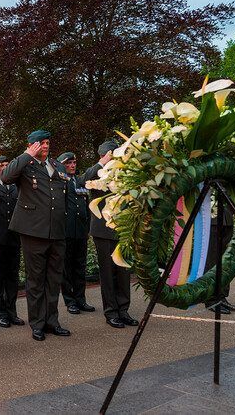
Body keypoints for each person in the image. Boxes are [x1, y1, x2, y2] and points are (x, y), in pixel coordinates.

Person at [2, 130, 72, 341]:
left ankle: (52, 321)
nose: (45, 146)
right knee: (35, 280)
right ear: (31, 145)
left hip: (57, 231)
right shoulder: (25, 164)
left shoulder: (57, 166)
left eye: (47, 142)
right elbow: (5, 177)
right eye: (40, 143)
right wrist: (26, 155)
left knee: (53, 279)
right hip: (34, 231)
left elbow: (63, 195)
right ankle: (37, 324)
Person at [87, 140, 139, 329]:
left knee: (123, 271)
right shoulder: (97, 174)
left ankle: (123, 310)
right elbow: (85, 179)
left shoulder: (124, 173)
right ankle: (111, 312)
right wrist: (103, 162)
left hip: (123, 229)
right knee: (108, 273)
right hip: (103, 231)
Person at [58, 151, 104, 315]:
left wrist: (87, 228)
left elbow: (84, 206)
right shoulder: (60, 182)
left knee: (80, 266)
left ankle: (80, 299)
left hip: (80, 232)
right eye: (68, 163)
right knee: (67, 268)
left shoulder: (79, 181)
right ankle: (70, 301)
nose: (71, 166)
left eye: (73, 163)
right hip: (66, 232)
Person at [0, 156, 25, 328]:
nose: (5, 168)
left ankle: (12, 312)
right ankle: (1, 313)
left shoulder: (16, 186)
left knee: (12, 278)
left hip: (14, 238)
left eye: (7, 165)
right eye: (1, 166)